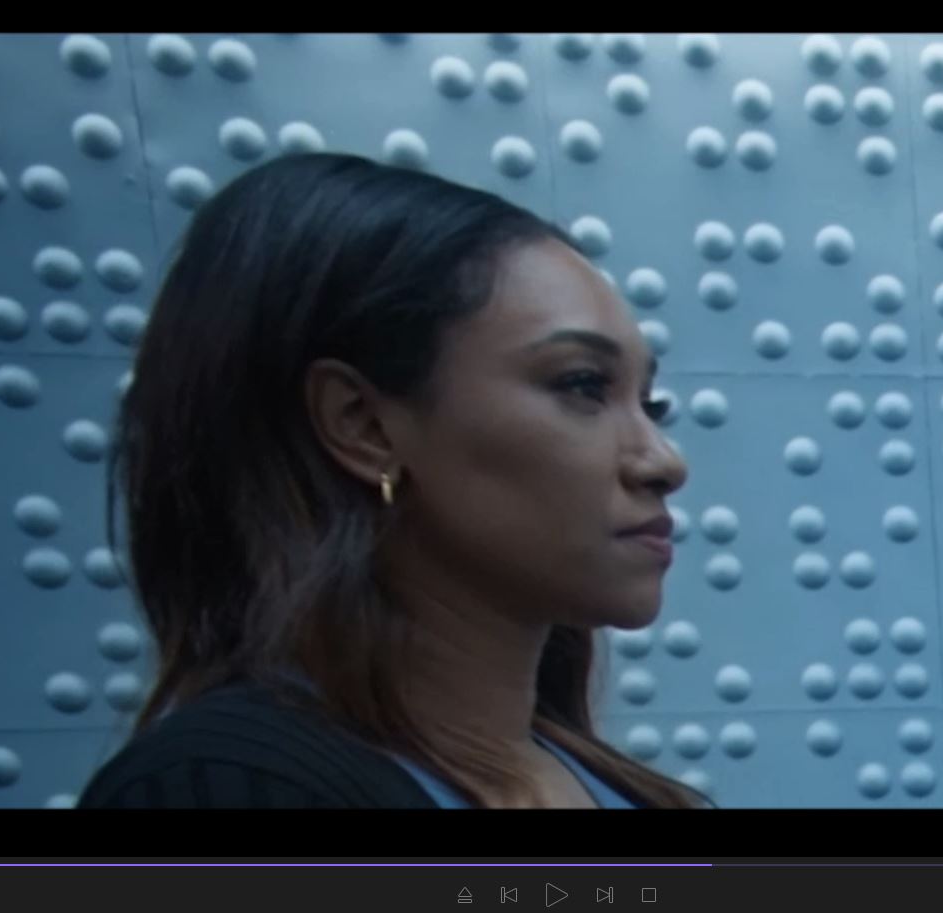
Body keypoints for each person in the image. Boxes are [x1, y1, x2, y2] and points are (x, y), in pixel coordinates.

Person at [77, 152, 712, 809]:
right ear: (363, 425)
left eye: (650, 402)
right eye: (582, 384)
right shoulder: (222, 788)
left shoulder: (607, 783)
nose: (664, 461)